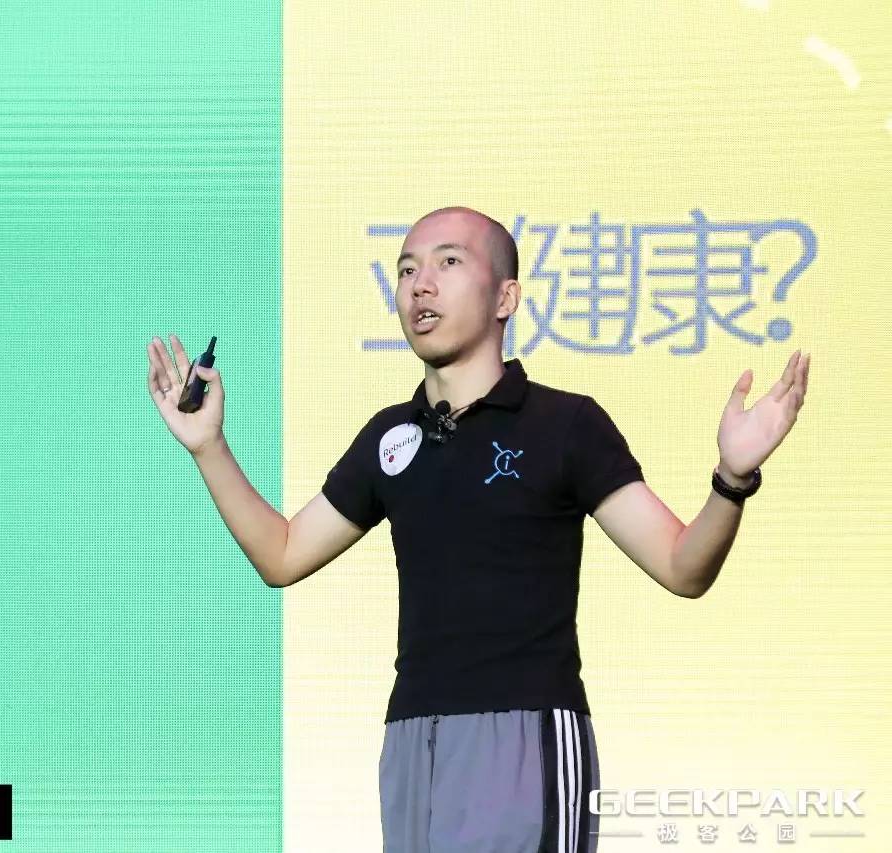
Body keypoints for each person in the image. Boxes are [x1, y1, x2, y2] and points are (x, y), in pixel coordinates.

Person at [145, 206, 811, 852]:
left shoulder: (565, 425)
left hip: (525, 735)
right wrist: (209, 446)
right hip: (413, 737)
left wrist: (732, 477)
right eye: (406, 270)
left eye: (448, 263)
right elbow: (283, 554)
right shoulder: (390, 436)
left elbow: (682, 565)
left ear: (505, 298)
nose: (420, 285)